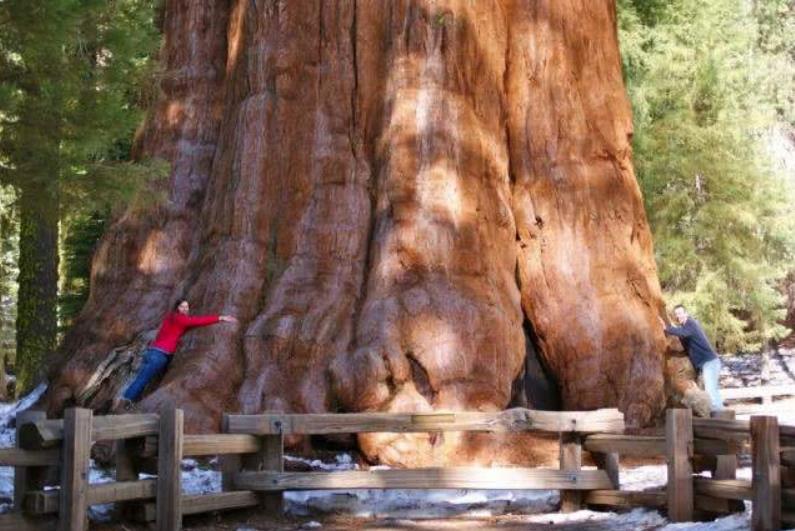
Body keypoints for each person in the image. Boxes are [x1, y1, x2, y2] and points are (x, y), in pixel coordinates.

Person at [113, 300, 237, 410]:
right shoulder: (179, 318)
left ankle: (125, 402)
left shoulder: (170, 318)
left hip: (152, 352)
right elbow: (197, 321)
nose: (185, 309)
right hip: (159, 355)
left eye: (187, 307)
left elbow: (174, 331)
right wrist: (220, 318)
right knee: (143, 379)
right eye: (182, 307)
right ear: (177, 308)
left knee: (142, 379)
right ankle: (123, 402)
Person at [659, 304, 723, 411]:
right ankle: (718, 413)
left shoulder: (691, 324)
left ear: (686, 313)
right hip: (706, 364)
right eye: (677, 314)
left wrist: (666, 328)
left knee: (711, 389)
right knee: (712, 389)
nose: (679, 316)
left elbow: (683, 333)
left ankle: (717, 414)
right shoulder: (685, 327)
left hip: (710, 362)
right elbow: (681, 334)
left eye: (680, 313)